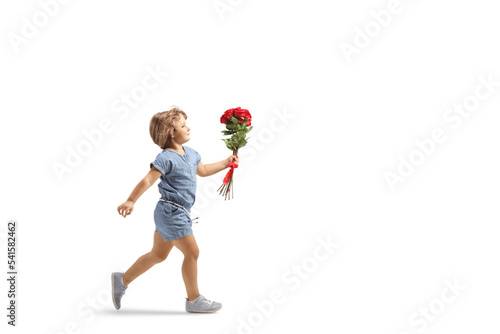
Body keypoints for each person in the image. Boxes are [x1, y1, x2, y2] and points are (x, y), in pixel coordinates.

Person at [112, 106, 239, 313]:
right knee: (193, 252)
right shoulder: (165, 158)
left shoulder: (191, 153)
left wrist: (226, 163)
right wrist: (130, 200)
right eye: (183, 125)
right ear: (171, 132)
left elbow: (204, 170)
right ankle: (193, 299)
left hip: (174, 212)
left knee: (158, 255)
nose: (188, 128)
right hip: (172, 212)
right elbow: (147, 180)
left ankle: (122, 279)